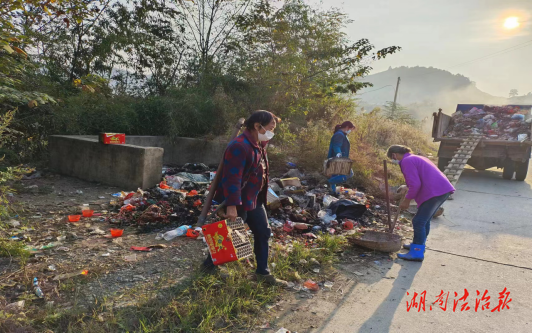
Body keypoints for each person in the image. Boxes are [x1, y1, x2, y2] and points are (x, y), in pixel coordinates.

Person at [201, 110, 288, 286]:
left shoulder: (258, 144)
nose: (272, 132)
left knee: (263, 232)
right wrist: (232, 206)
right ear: (258, 126)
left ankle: (263, 273)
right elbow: (231, 178)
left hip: (254, 199)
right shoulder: (239, 146)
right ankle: (209, 267)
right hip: (239, 200)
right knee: (231, 235)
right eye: (271, 128)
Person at [388, 145, 455, 262]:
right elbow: (418, 178)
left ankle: (416, 253)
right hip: (441, 190)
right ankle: (418, 245)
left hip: (435, 192)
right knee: (425, 220)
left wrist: (407, 200)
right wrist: (406, 186)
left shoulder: (406, 161)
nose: (394, 160)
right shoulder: (415, 158)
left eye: (393, 158)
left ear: (394, 154)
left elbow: (416, 184)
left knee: (418, 221)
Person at [327, 121, 356, 194]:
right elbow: (336, 145)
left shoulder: (342, 134)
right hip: (339, 158)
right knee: (350, 173)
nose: (350, 131)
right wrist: (338, 153)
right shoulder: (339, 134)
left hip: (338, 158)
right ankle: (329, 182)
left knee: (334, 175)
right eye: (350, 129)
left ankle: (332, 192)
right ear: (347, 127)